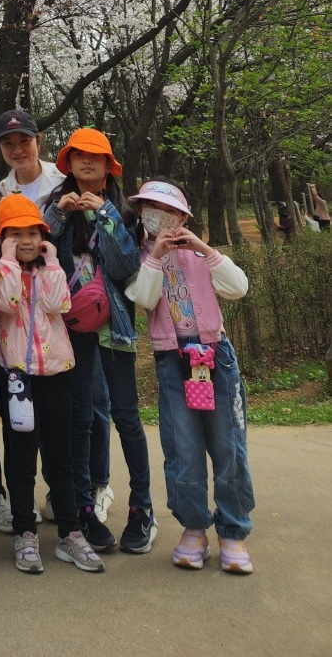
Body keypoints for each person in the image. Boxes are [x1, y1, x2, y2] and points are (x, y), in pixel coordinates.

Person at [126, 179, 255, 574]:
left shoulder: (200, 253)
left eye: (169, 211)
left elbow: (238, 287)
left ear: (183, 218)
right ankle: (194, 529)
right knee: (183, 448)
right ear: (142, 214)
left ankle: (232, 530)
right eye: (151, 209)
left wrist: (204, 249)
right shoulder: (140, 255)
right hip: (172, 359)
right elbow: (144, 298)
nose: (160, 216)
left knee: (228, 445)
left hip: (215, 355)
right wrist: (155, 256)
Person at [0, 107, 116, 526]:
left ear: (39, 141)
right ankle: (53, 494)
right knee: (30, 415)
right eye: (8, 144)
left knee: (91, 403)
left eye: (24, 141)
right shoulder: (3, 190)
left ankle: (94, 485)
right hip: (22, 316)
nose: (18, 150)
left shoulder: (60, 179)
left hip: (73, 302)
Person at [43, 127, 155, 556]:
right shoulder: (55, 206)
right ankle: (83, 507)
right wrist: (58, 215)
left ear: (109, 166)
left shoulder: (123, 211)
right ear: (68, 164)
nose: (86, 161)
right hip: (70, 326)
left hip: (115, 325)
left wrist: (105, 214)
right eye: (78, 156)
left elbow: (125, 265)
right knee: (80, 416)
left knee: (125, 416)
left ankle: (142, 509)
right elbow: (37, 253)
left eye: (96, 156)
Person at [0, 194, 105, 574]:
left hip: (56, 373)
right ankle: (25, 531)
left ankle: (70, 532)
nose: (25, 240)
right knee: (21, 459)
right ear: (3, 238)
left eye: (32, 233)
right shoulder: (0, 270)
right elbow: (6, 304)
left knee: (61, 457)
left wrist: (53, 261)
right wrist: (8, 260)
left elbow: (60, 305)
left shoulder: (50, 269)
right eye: (15, 234)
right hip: (17, 379)